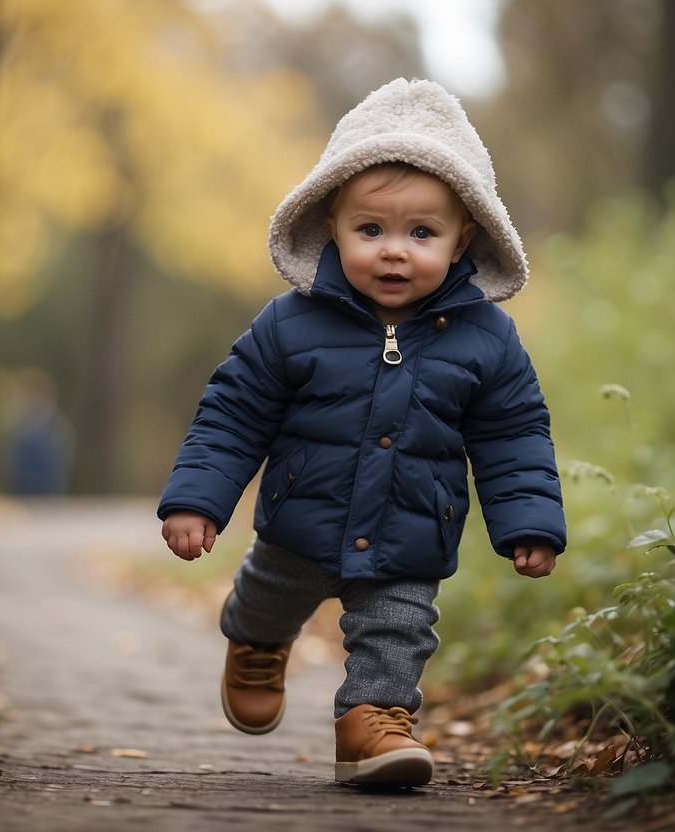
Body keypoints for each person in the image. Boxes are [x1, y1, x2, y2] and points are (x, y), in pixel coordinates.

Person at [157, 78, 566, 788]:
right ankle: (254, 641)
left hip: (411, 532)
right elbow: (233, 412)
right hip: (298, 525)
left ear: (464, 235)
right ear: (331, 225)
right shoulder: (289, 323)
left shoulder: (487, 340)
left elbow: (513, 433)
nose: (393, 252)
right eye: (369, 230)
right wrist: (198, 499)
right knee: (268, 597)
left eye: (421, 233)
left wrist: (528, 519)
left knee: (398, 633)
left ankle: (371, 725)